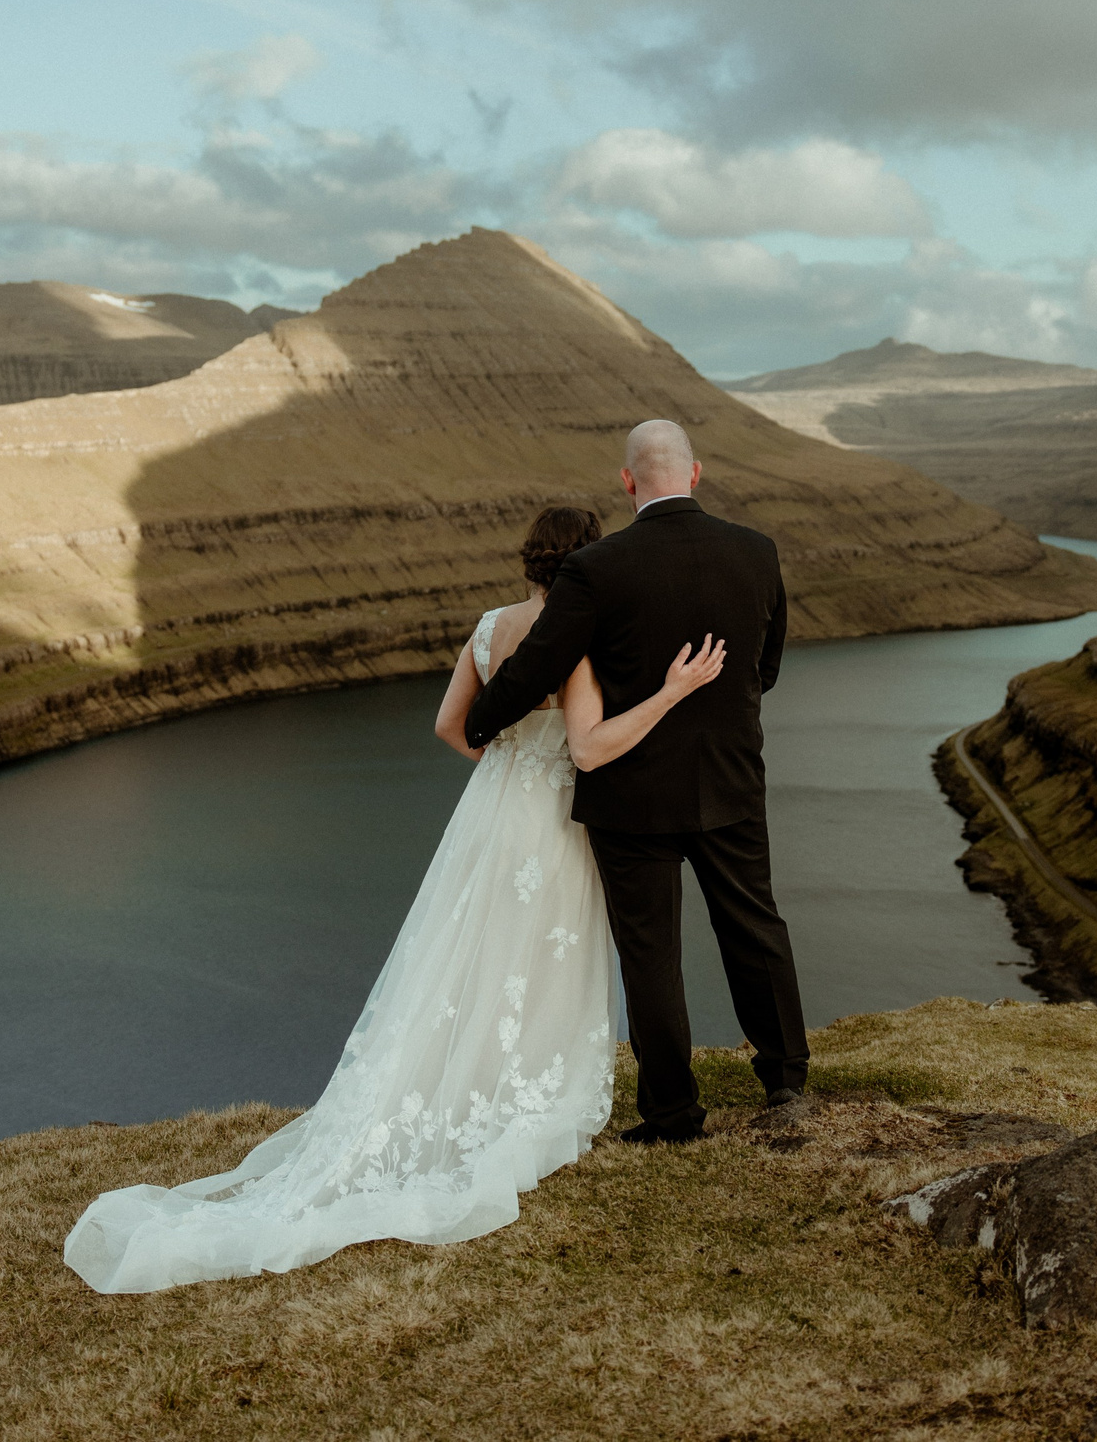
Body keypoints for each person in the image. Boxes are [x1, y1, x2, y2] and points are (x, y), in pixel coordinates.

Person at [63, 503, 729, 1293]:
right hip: (556, 821)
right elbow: (589, 748)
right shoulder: (575, 642)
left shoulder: (489, 627)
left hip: (492, 811)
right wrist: (675, 693)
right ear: (589, 564)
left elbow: (454, 729)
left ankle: (472, 1087)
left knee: (476, 958)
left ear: (527, 562)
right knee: (548, 956)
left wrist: (510, 761)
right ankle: (529, 1101)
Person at [464, 419, 808, 1145]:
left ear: (627, 483)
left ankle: (674, 1114)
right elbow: (764, 668)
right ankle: (785, 1080)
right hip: (729, 780)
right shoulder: (757, 552)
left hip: (630, 793)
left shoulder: (600, 568)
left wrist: (480, 722)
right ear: (696, 473)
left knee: (651, 955)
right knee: (754, 928)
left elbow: (536, 667)